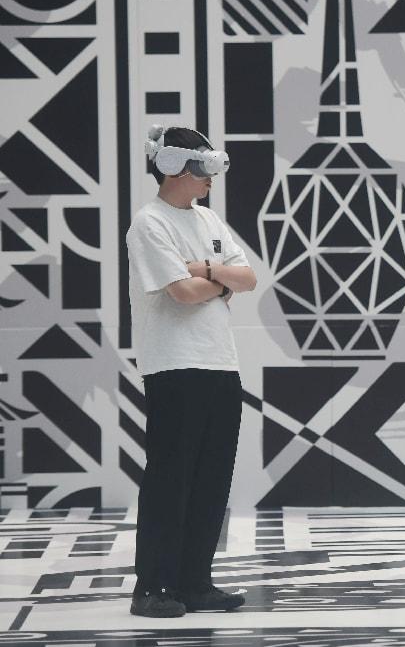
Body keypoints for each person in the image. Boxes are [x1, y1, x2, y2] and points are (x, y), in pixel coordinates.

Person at [126, 126, 256, 617]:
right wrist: (221, 281)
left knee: (211, 478)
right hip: (174, 364)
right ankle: (152, 587)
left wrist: (206, 271)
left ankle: (194, 582)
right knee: (170, 477)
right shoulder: (149, 223)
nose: (209, 178)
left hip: (221, 363)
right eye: (202, 167)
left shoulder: (208, 219)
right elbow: (180, 293)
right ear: (174, 167)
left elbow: (249, 277)